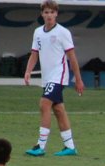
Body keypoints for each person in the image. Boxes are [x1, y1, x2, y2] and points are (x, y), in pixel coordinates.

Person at [24, 0, 84, 157]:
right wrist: (28, 71)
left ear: (56, 13)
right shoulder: (37, 32)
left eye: (52, 12)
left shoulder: (62, 32)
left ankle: (40, 146)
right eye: (46, 12)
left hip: (59, 75)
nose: (49, 15)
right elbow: (34, 54)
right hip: (47, 77)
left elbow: (72, 57)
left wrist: (78, 79)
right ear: (42, 14)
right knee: (58, 109)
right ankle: (70, 146)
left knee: (44, 104)